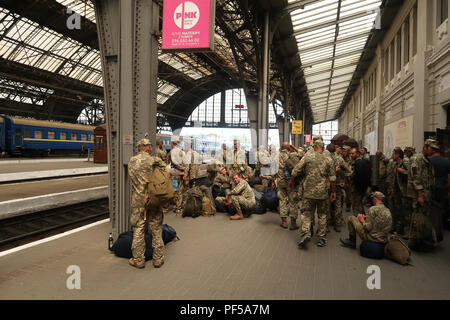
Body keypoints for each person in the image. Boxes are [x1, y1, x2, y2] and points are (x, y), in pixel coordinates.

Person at [128, 138, 167, 269]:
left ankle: (138, 260)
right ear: (148, 147)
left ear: (139, 148)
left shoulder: (132, 161)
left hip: (138, 199)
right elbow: (165, 171)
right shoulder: (154, 160)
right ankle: (158, 259)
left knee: (138, 229)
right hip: (153, 199)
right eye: (149, 146)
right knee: (156, 228)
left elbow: (132, 178)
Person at [291, 139, 336, 248]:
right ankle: (321, 238)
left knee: (306, 213)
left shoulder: (307, 157)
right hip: (323, 193)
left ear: (314, 147)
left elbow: (295, 171)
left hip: (308, 193)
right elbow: (333, 178)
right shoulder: (328, 159)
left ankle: (306, 234)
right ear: (323, 148)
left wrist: (292, 181)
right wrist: (333, 192)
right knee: (322, 215)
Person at [407, 139, 437, 251]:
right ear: (425, 147)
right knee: (417, 218)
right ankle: (414, 243)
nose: (433, 151)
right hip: (418, 195)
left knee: (422, 218)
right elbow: (416, 178)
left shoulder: (427, 160)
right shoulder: (417, 159)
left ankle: (419, 240)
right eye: (432, 148)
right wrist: (420, 195)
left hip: (426, 194)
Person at [276, 142, 299, 230]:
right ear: (289, 148)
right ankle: (293, 223)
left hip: (280, 181)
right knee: (293, 201)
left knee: (282, 201)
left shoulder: (275, 156)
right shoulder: (292, 155)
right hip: (291, 182)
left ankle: (284, 222)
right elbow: (302, 153)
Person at [327, 143, 349, 232]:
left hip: (327, 185)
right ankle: (337, 225)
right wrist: (344, 181)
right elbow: (348, 171)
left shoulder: (325, 158)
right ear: (335, 150)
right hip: (338, 185)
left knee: (326, 205)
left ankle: (326, 225)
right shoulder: (340, 159)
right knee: (338, 205)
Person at [429, 145, 450, 232]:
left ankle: (431, 227)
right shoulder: (446, 161)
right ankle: (439, 228)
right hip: (442, 187)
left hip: (430, 187)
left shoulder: (428, 160)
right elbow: (449, 177)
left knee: (430, 208)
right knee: (440, 208)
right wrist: (448, 189)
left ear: (433, 150)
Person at [389, 147, 410, 234]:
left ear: (397, 155)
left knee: (405, 212)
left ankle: (407, 231)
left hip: (404, 191)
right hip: (397, 191)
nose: (392, 156)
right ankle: (399, 229)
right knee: (398, 211)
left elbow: (411, 174)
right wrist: (392, 191)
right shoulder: (395, 164)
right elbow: (393, 179)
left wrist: (402, 171)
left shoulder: (405, 162)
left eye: (393, 153)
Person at [349, 147, 372, 216]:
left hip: (357, 188)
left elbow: (355, 176)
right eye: (350, 153)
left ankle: (358, 223)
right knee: (360, 206)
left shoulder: (357, 163)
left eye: (353, 153)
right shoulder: (365, 161)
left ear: (358, 154)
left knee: (356, 207)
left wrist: (350, 172)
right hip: (363, 188)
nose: (351, 155)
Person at [168, 138, 186, 214]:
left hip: (176, 173)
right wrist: (185, 170)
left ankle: (177, 206)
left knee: (175, 190)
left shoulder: (172, 152)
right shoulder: (182, 152)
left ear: (173, 144)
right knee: (181, 190)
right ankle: (180, 206)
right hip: (182, 173)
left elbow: (173, 163)